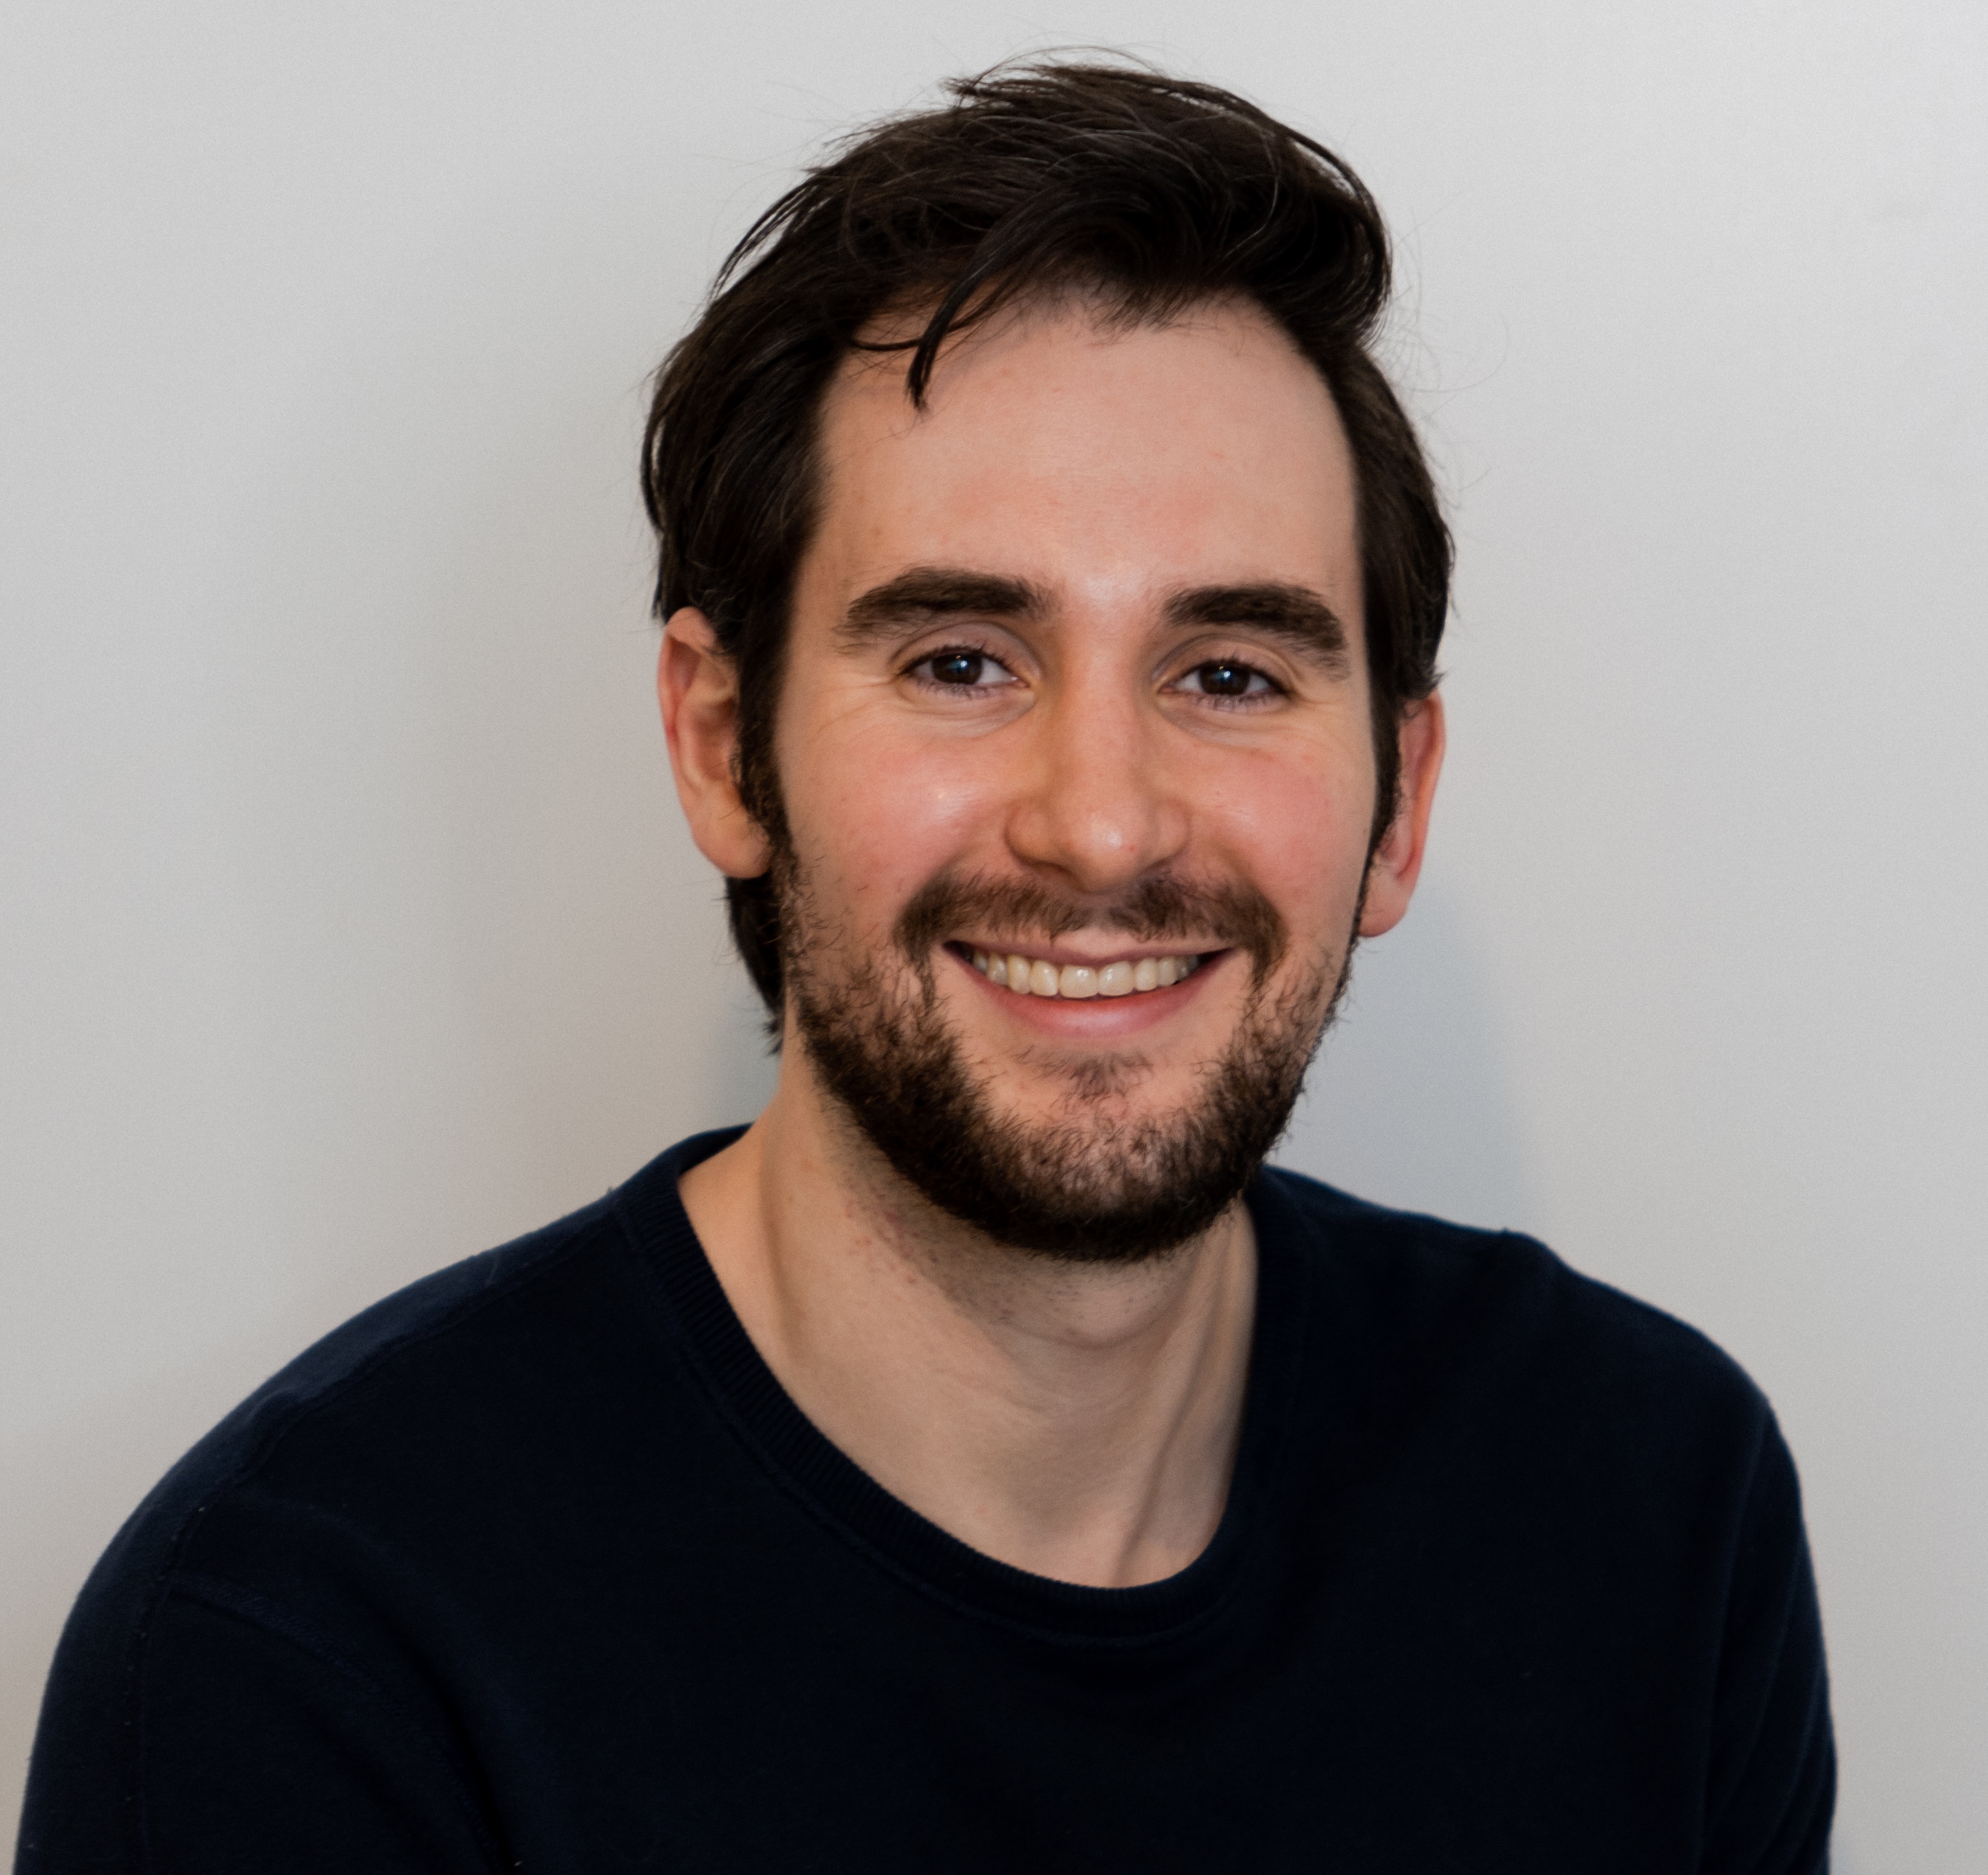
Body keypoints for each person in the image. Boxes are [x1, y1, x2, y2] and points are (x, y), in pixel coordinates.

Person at [18, 60, 1833, 1872]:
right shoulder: (305, 1654)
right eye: (961, 661)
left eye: (1229, 674)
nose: (1102, 829)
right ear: (723, 745)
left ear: (1399, 803)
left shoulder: (1649, 1504)